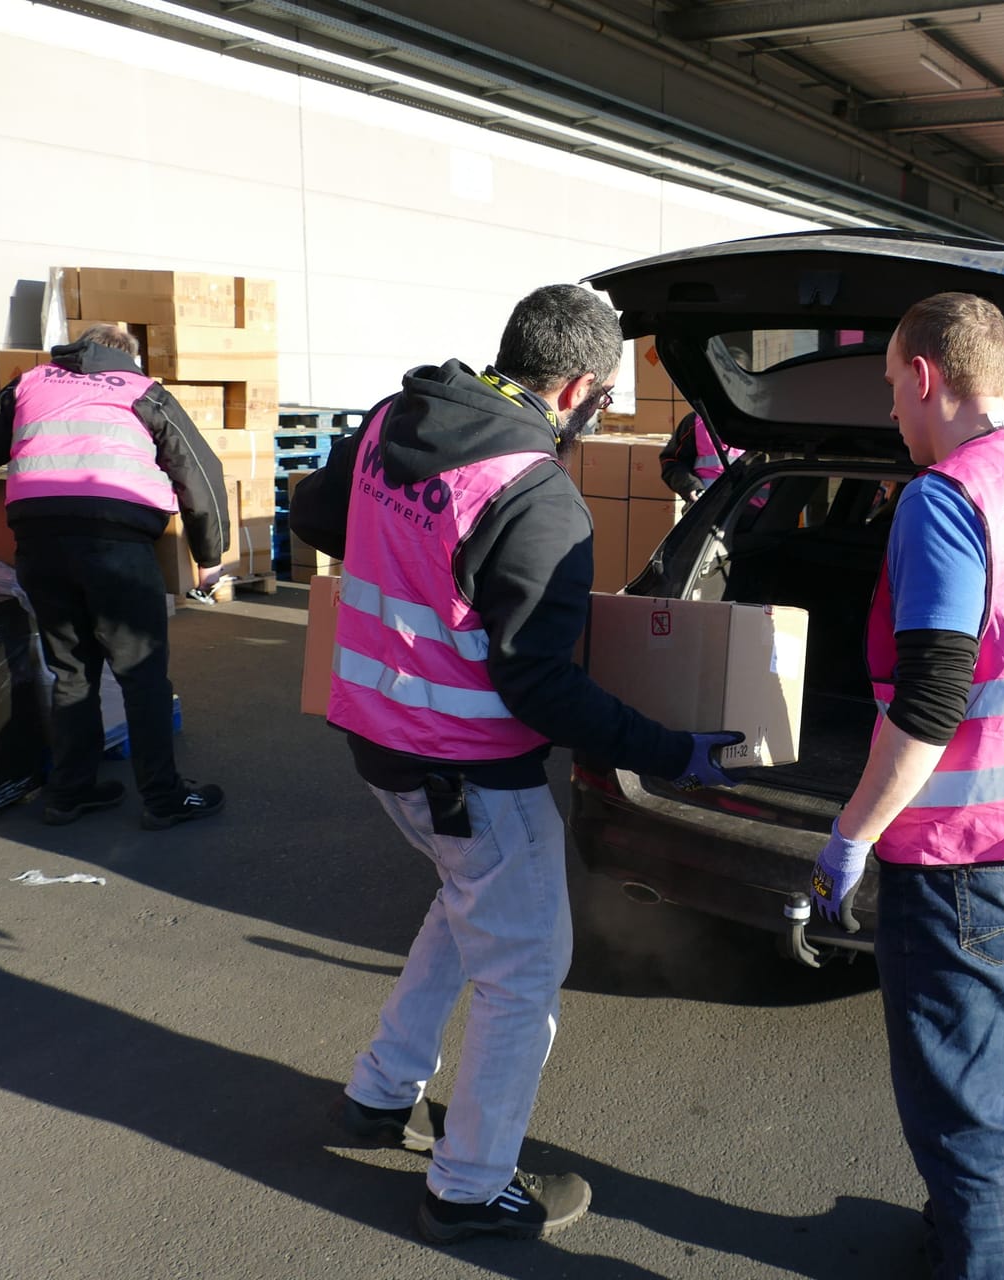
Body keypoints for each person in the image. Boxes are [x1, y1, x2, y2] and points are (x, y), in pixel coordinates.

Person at [289, 284, 742, 1245]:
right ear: (578, 384)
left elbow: (318, 514)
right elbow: (539, 686)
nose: (598, 416)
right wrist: (670, 752)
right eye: (605, 401)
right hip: (467, 770)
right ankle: (468, 1189)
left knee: (465, 909)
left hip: (381, 745)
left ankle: (379, 1094)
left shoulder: (394, 418)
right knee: (525, 967)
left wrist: (414, 551)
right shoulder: (535, 497)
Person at [806, 293, 1004, 1280]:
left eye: (889, 392)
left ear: (922, 375)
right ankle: (957, 1236)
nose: (892, 419)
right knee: (993, 1072)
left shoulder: (946, 500)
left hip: (963, 863)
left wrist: (851, 834)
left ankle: (980, 1249)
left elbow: (933, 694)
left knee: (962, 1118)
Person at [0, 323, 228, 829]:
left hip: (41, 544)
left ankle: (71, 794)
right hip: (118, 542)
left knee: (72, 673)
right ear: (128, 357)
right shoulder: (144, 392)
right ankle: (163, 798)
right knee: (141, 676)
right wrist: (210, 555)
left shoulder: (32, 383)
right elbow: (198, 471)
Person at [657, 409, 738, 501]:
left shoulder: (756, 425)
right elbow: (672, 461)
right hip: (706, 506)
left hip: (752, 508)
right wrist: (691, 487)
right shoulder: (696, 421)